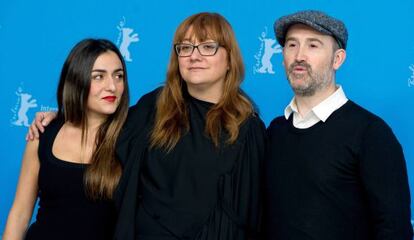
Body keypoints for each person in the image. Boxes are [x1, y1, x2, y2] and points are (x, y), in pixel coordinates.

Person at [26, 12, 265, 240]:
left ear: (229, 59)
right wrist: (62, 116)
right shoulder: (155, 106)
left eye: (208, 46)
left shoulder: (247, 129)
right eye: (185, 47)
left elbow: (247, 217)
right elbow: (106, 124)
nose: (194, 55)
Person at [264, 10, 413, 240]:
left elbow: (395, 230)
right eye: (292, 45)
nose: (299, 56)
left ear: (337, 59)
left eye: (313, 46)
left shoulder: (370, 134)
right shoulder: (275, 131)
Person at [3, 39, 129, 240]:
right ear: (77, 80)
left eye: (119, 76)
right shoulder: (43, 134)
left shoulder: (133, 136)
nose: (112, 86)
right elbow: (19, 214)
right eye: (98, 77)